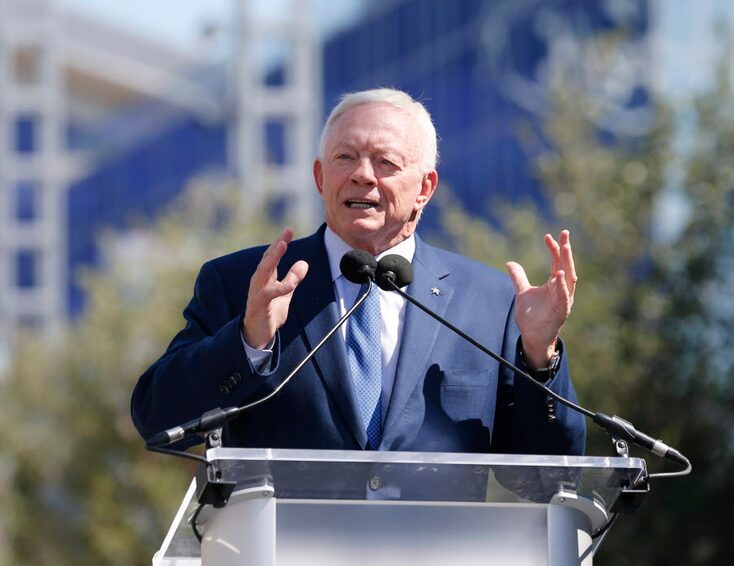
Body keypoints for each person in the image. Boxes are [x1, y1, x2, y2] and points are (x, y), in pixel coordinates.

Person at [131, 88, 585, 455]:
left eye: (385, 162)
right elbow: (158, 420)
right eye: (345, 158)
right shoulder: (242, 283)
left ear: (425, 187)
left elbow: (550, 470)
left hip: (436, 561)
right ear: (320, 177)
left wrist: (539, 355)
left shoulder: (490, 302)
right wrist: (248, 340)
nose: (362, 175)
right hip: (285, 560)